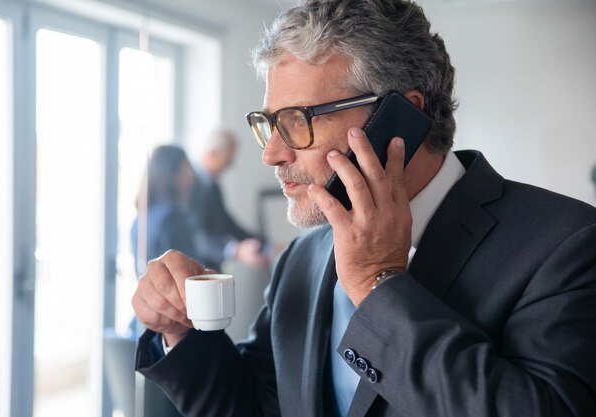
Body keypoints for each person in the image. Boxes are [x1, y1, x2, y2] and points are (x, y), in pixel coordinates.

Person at [131, 1, 596, 416]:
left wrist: (379, 285)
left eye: (297, 121)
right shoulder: (303, 257)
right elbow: (259, 402)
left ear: (400, 121)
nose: (271, 154)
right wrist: (181, 334)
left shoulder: (567, 245)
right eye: (269, 123)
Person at [188, 127, 268, 271]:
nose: (230, 165)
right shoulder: (191, 184)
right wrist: (236, 250)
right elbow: (197, 235)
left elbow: (228, 224)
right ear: (213, 153)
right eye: (228, 159)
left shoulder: (212, 185)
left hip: (212, 268)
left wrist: (264, 243)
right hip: (197, 270)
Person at [130, 144, 201, 277]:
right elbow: (188, 277)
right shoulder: (173, 219)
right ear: (171, 174)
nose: (192, 179)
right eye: (187, 170)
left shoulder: (139, 219)